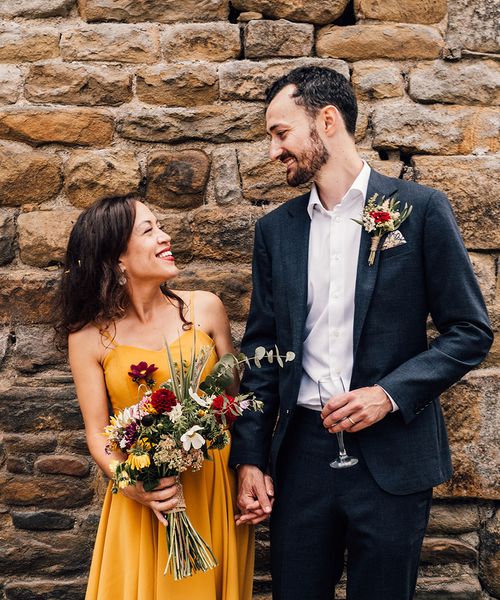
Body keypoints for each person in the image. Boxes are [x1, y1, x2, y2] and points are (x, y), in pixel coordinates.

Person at [229, 66, 493, 600]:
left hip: (392, 457)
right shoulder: (275, 231)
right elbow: (261, 352)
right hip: (301, 456)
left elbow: (469, 331)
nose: (273, 150)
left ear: (327, 121)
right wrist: (251, 457)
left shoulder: (418, 211)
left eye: (281, 133)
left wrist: (387, 395)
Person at [57, 195, 254, 600]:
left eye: (160, 226)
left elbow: (237, 402)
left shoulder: (207, 309)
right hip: (148, 492)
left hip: (211, 482)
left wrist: (250, 468)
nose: (165, 237)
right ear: (117, 260)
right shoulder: (88, 337)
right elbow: (98, 433)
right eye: (148, 231)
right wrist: (130, 483)